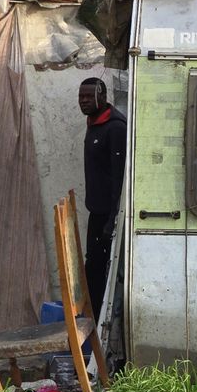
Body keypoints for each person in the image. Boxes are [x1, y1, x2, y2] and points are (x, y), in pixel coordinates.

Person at [78, 77, 127, 320]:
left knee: (98, 270)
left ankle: (96, 324)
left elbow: (119, 178)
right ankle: (91, 320)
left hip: (108, 215)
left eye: (89, 96)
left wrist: (112, 220)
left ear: (103, 96)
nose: (84, 101)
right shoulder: (94, 123)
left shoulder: (115, 127)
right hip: (96, 212)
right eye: (81, 97)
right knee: (92, 267)